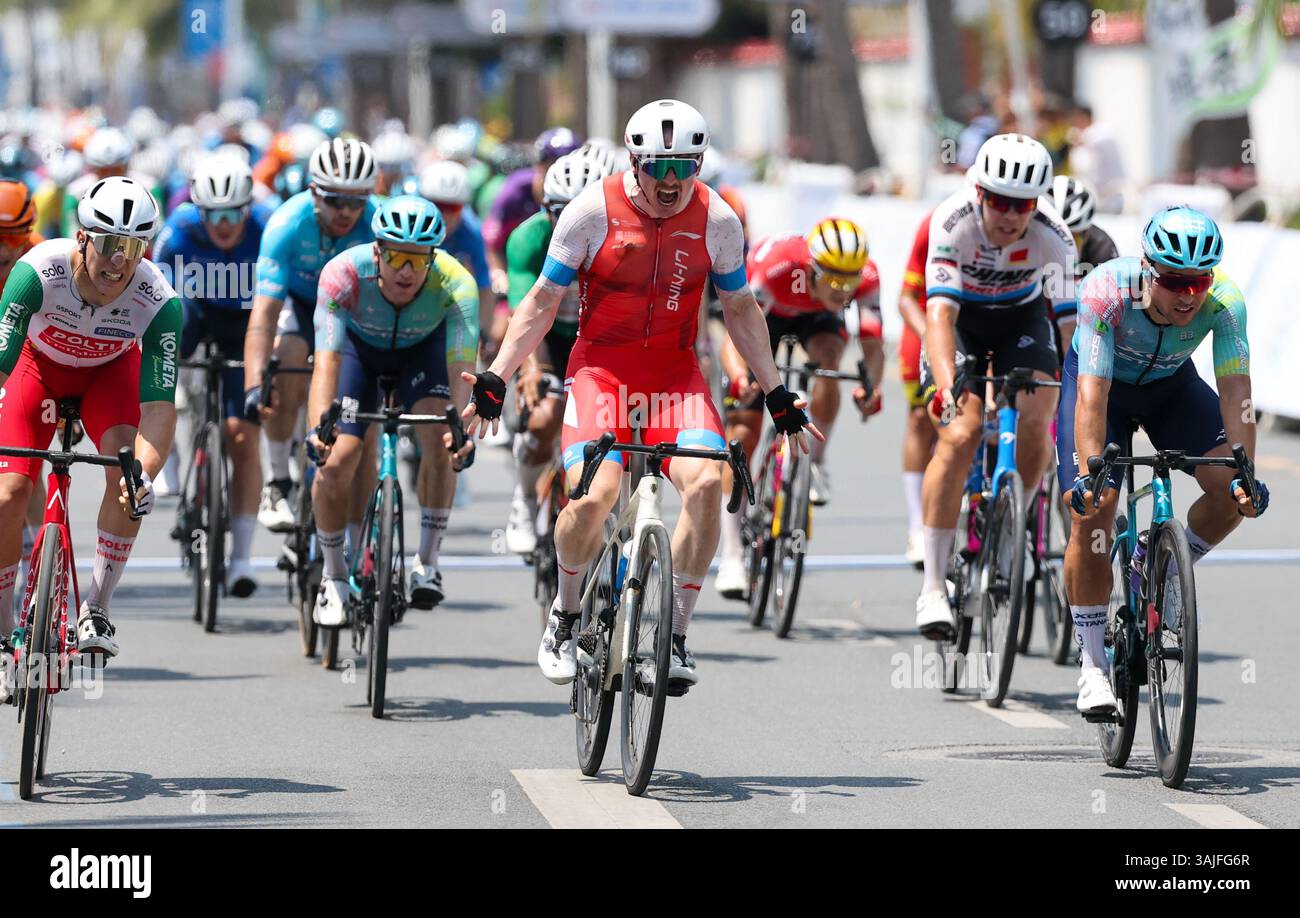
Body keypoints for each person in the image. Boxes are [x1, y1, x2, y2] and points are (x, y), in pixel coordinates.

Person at [460, 99, 818, 689]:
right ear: (634, 160)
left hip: (675, 376)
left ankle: (675, 633)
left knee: (706, 484)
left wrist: (777, 394)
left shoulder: (719, 220)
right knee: (596, 498)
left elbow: (740, 309)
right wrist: (499, 376)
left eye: (686, 167)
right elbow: (542, 303)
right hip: (601, 373)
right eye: (660, 167)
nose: (673, 182)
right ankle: (565, 613)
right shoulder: (589, 212)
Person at [1058, 206, 1265, 714]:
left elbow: (1236, 391)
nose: (1189, 295)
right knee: (1094, 509)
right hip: (1099, 388)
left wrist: (1246, 474)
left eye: (1199, 280)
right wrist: (1090, 473)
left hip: (1171, 389)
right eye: (1175, 281)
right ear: (1149, 271)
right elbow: (1093, 394)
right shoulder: (1108, 291)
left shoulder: (1225, 303)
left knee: (1234, 495)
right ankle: (1091, 665)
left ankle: (1167, 561)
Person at [0, 176, 179, 692]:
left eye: (132, 247)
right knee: (11, 490)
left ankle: (96, 608)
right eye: (107, 243)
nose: (118, 261)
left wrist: (143, 474)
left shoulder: (159, 301)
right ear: (82, 238)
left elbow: (160, 410)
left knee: (126, 466)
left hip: (108, 373)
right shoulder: (36, 272)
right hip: (36, 369)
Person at [915, 133, 1074, 639]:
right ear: (979, 193)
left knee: (1038, 419)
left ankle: (1014, 526)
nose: (1010, 216)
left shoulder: (1055, 235)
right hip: (960, 321)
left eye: (1022, 206)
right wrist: (945, 387)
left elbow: (1069, 329)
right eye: (1000, 203)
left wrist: (1076, 395)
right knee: (960, 433)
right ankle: (934, 587)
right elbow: (939, 316)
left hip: (1020, 320)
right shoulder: (952, 222)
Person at [307, 196, 478, 623]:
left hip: (423, 354)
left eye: (418, 261)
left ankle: (428, 563)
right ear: (378, 252)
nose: (406, 270)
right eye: (398, 257)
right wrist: (317, 427)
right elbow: (326, 361)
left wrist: (462, 431)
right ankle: (333, 578)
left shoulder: (457, 284)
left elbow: (462, 367)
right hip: (358, 354)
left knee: (441, 441)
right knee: (337, 461)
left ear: (433, 259)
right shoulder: (343, 274)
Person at [712, 218, 885, 597]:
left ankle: (815, 464)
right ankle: (732, 553)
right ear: (812, 269)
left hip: (816, 320)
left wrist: (871, 387)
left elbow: (873, 348)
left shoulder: (865, 278)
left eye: (850, 282)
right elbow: (734, 333)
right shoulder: (777, 268)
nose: (844, 291)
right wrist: (742, 379)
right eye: (835, 281)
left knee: (829, 361)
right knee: (743, 433)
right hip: (764, 316)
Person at [240, 138, 378, 534]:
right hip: (302, 308)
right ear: (314, 191)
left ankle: (357, 540)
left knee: (366, 429)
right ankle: (278, 480)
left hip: (358, 315)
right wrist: (254, 385)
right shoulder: (286, 224)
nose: (348, 212)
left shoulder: (379, 221)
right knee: (286, 366)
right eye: (337, 201)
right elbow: (264, 315)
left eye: (358, 202)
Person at [154, 156, 273, 597]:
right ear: (198, 210)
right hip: (197, 315)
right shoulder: (181, 228)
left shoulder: (268, 226)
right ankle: (172, 443)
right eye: (214, 215)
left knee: (242, 437)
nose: (224, 225)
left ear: (248, 209)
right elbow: (155, 290)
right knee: (169, 333)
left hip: (247, 327)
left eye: (233, 214)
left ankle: (241, 558)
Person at [502, 147, 618, 555]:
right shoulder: (527, 239)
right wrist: (530, 369)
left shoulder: (623, 239)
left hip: (597, 338)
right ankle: (523, 499)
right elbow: (524, 310)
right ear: (544, 209)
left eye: (585, 214)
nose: (572, 224)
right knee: (546, 415)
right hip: (548, 337)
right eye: (559, 213)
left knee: (628, 431)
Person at [896, 210, 937, 567]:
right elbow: (906, 296)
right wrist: (934, 341)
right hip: (929, 322)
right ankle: (916, 526)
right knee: (922, 419)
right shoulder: (936, 222)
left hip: (984, 324)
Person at [1042, 175, 1118, 352]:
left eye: (1072, 237)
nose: (1060, 243)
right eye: (1051, 235)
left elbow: (1106, 321)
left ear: (1086, 234)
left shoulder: (1102, 249)